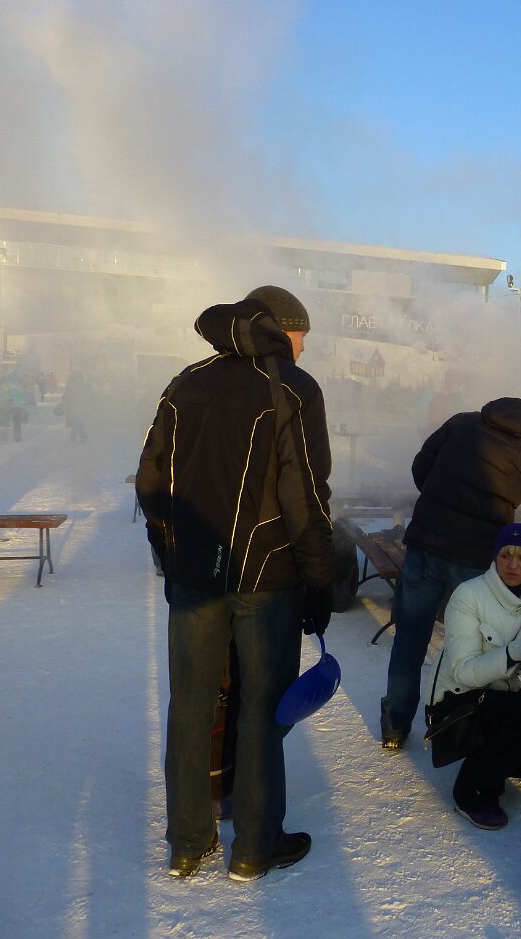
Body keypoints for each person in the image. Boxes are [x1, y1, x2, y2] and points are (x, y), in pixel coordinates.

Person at [136, 285, 335, 881]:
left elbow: (150, 482)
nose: (303, 346)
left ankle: (187, 843)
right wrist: (320, 582)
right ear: (279, 328)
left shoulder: (185, 383)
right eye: (301, 334)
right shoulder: (293, 388)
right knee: (260, 710)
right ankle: (254, 845)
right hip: (268, 578)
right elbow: (306, 497)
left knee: (190, 706)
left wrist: (171, 554)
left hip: (195, 576)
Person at [380, 394, 521, 750]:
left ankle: (395, 724)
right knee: (477, 648)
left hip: (424, 543)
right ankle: (462, 730)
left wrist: (443, 503)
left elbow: (421, 467)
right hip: (471, 558)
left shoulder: (463, 421)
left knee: (410, 637)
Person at [433, 523, 521, 830]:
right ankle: (472, 793)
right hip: (456, 701)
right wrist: (512, 652)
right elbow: (462, 671)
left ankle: (503, 762)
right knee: (517, 715)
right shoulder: (469, 595)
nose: (513, 565)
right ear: (495, 557)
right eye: (505, 555)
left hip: (504, 695)